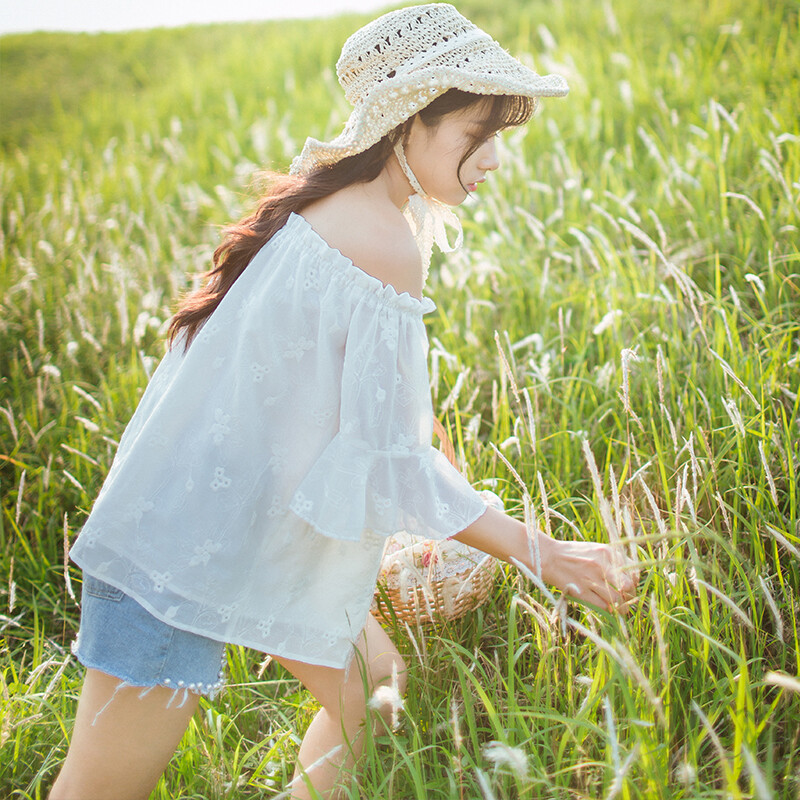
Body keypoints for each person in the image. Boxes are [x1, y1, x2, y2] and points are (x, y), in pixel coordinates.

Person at [49, 4, 639, 798]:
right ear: (406, 123)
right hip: (177, 542)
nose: (496, 159)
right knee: (97, 791)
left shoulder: (330, 210)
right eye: (478, 132)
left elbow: (334, 414)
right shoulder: (380, 239)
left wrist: (421, 457)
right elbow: (391, 468)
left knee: (374, 690)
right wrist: (546, 553)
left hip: (234, 524)